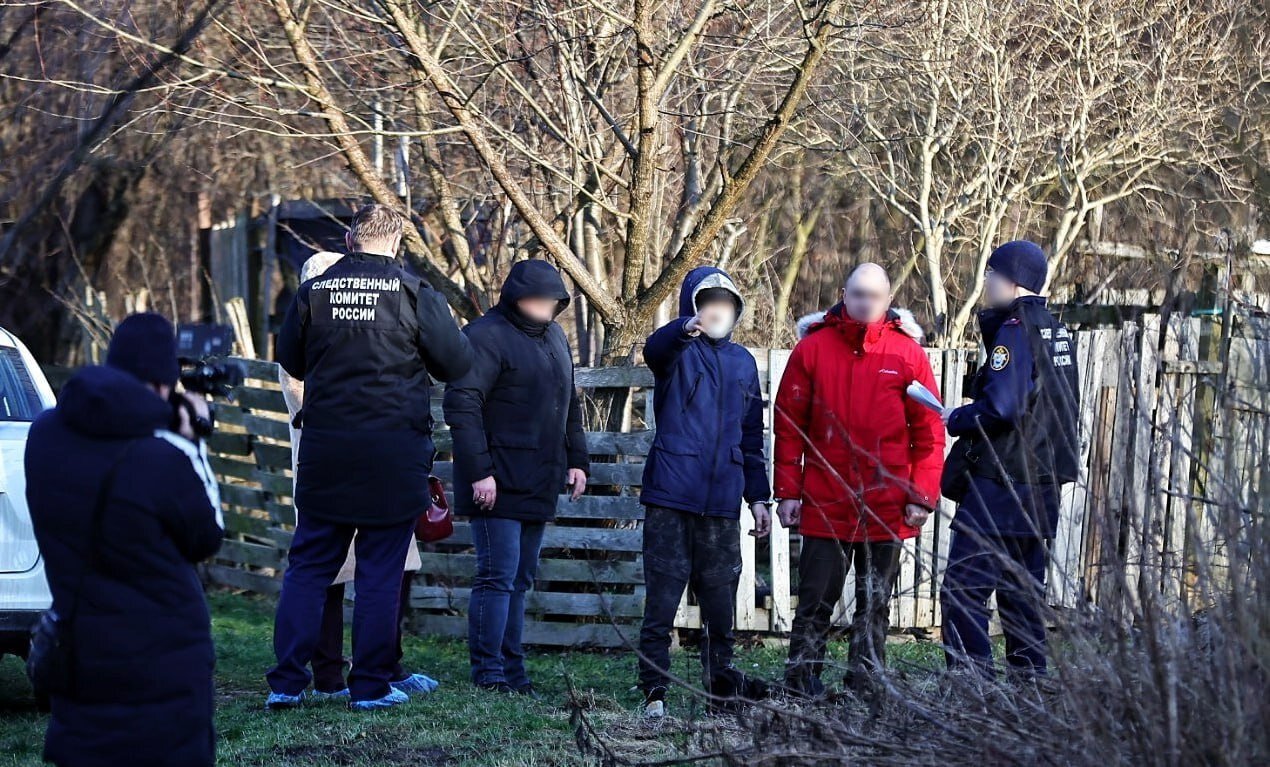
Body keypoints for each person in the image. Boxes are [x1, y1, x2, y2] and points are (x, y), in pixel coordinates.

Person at [267, 204, 472, 711]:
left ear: (349, 238)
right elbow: (455, 362)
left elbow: (290, 357)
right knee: (381, 570)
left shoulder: (314, 291)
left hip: (326, 449)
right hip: (390, 451)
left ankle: (287, 683)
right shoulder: (413, 294)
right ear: (398, 243)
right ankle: (371, 686)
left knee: (309, 566)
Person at [25, 313, 224, 767]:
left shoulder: (44, 436)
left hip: (79, 650)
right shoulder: (161, 456)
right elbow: (206, 534)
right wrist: (193, 439)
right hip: (164, 659)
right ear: (160, 384)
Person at [774, 263, 945, 698]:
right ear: (844, 295)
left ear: (888, 300)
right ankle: (801, 681)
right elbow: (789, 426)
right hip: (826, 500)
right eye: (859, 294)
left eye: (876, 295)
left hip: (886, 503)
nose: (867, 303)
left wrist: (921, 496)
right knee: (814, 602)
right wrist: (788, 491)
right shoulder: (812, 350)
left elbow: (928, 432)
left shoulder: (908, 356)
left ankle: (867, 683)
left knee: (875, 603)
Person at [277, 251, 434, 702]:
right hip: (359, 464)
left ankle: (307, 680)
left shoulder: (320, 326)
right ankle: (334, 675)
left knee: (332, 571)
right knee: (343, 574)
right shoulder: (351, 323)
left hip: (330, 467)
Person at [442, 259, 589, 697]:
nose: (545, 306)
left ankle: (513, 670)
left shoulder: (556, 337)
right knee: (497, 575)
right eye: (536, 298)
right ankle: (488, 673)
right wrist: (480, 472)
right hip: (496, 480)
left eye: (552, 300)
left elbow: (569, 402)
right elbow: (463, 406)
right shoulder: (483, 337)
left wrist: (577, 459)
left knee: (521, 578)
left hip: (542, 475)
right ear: (515, 296)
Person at [939, 240, 1080, 679]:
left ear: (1010, 281)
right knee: (1021, 596)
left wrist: (957, 417)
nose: (986, 282)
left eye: (991, 274)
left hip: (1001, 486)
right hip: (1042, 488)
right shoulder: (1056, 331)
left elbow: (1003, 406)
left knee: (963, 589)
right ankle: (1028, 687)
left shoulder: (1015, 330)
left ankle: (972, 689)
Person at [635, 266, 772, 718]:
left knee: (719, 602)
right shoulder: (676, 352)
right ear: (693, 307)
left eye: (726, 304)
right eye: (708, 302)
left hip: (721, 503)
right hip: (671, 496)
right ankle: (654, 691)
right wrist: (682, 329)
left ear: (736, 311)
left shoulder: (743, 364)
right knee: (662, 598)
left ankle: (720, 690)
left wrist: (758, 499)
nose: (717, 311)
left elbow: (752, 438)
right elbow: (655, 349)